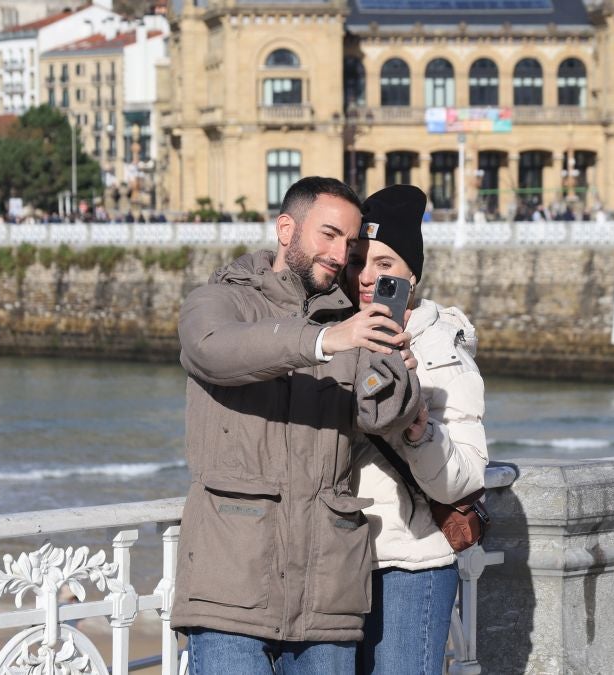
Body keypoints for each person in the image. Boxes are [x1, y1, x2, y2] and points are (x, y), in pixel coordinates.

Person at [173, 176, 422, 673]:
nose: (340, 254)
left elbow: (379, 415)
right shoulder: (220, 301)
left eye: (349, 242)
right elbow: (211, 349)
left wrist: (394, 367)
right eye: (328, 234)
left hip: (327, 597)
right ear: (286, 229)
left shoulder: (350, 320)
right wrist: (322, 341)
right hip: (229, 587)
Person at [344, 184, 488, 675]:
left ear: (412, 274)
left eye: (384, 264)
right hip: (336, 562)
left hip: (410, 564)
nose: (367, 277)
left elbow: (465, 479)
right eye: (357, 261)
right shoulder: (332, 336)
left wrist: (418, 428)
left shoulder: (440, 351)